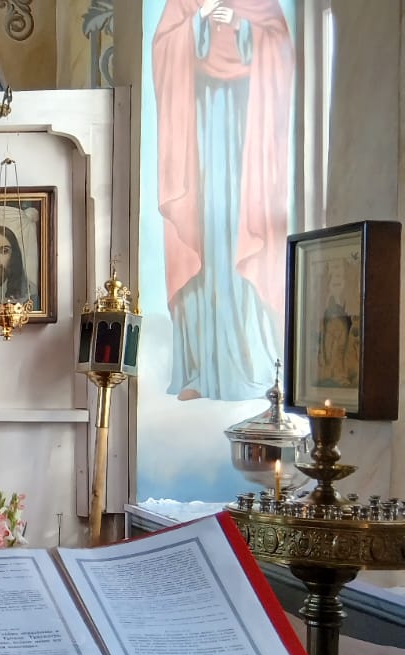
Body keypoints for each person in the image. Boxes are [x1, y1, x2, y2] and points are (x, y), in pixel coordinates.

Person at [153, 0, 293, 401]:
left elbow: (280, 45)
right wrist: (197, 20)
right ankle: (201, 370)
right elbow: (163, 45)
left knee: (236, 233)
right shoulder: (185, 3)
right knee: (206, 240)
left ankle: (254, 365)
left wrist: (242, 21)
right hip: (198, 132)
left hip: (245, 132)